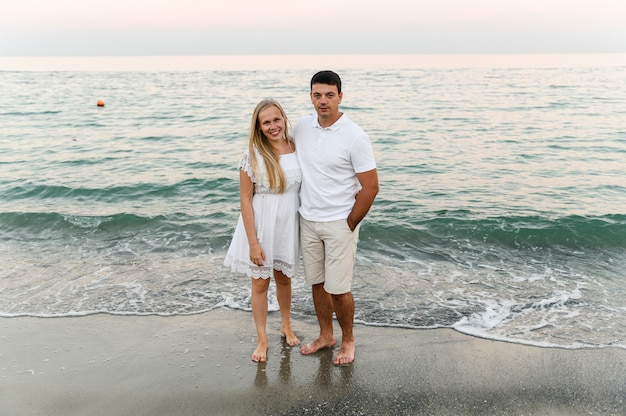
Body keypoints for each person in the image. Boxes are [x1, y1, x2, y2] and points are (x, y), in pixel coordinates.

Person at [292, 70, 379, 365]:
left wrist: (351, 223)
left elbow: (370, 187)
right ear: (311, 97)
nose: (323, 101)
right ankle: (325, 335)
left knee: (339, 288)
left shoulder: (355, 136)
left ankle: (348, 341)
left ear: (341, 96)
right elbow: (276, 144)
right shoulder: (302, 127)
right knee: (317, 283)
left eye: (330, 95)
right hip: (308, 219)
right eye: (317, 95)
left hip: (339, 223)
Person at [224, 99, 302, 363]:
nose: (273, 126)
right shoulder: (252, 155)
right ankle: (262, 338)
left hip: (288, 223)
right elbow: (246, 201)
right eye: (266, 122)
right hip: (261, 225)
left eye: (276, 119)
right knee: (260, 283)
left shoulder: (296, 147)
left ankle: (286, 324)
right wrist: (253, 242)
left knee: (284, 278)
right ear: (258, 126)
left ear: (284, 119)